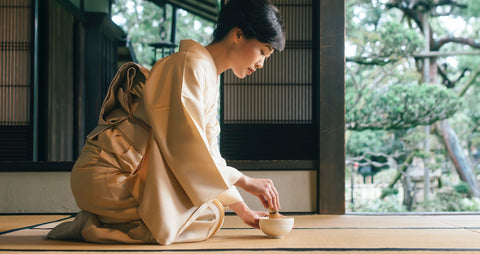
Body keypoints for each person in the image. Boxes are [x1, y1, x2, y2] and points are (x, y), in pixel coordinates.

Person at [48, 0, 286, 245]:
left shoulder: (206, 75)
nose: (261, 64)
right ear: (238, 34)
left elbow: (209, 157)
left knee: (212, 211)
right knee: (207, 213)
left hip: (130, 176)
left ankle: (108, 219)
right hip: (110, 174)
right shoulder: (189, 65)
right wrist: (245, 181)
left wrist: (243, 211)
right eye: (262, 52)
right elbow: (187, 149)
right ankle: (94, 227)